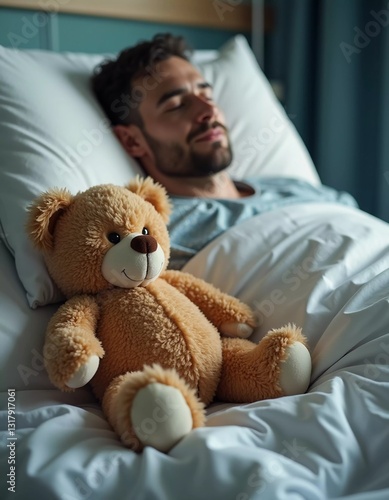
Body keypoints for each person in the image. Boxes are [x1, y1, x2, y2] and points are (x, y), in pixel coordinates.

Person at [92, 33, 356, 269]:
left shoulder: (294, 187)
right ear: (132, 141)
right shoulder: (158, 236)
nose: (208, 111)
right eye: (176, 105)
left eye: (207, 95)